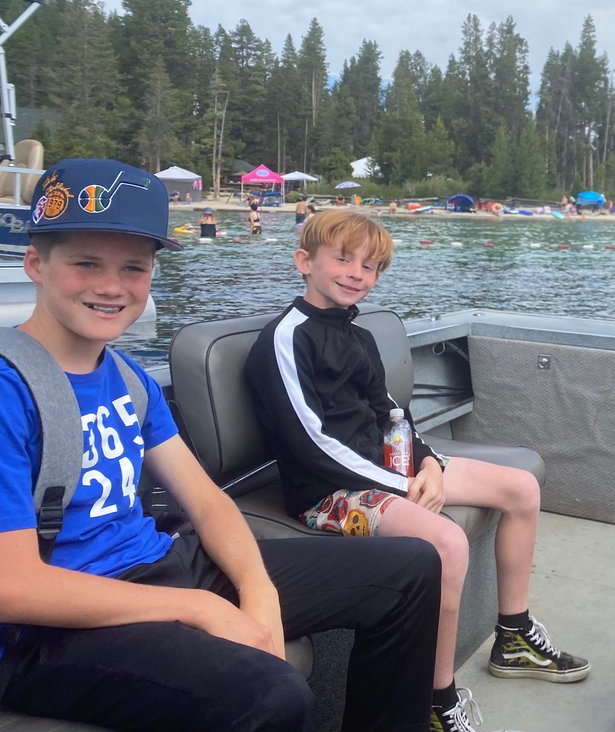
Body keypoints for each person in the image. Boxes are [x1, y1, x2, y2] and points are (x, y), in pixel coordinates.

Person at [0, 159, 441, 731]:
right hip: (51, 632)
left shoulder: (127, 377)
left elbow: (207, 502)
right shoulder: (11, 391)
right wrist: (199, 606)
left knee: (409, 568)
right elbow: (13, 585)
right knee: (271, 696)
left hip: (160, 566)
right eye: (86, 263)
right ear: (36, 263)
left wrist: (258, 590)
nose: (112, 287)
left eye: (133, 268)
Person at [246, 211, 590, 732]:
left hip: (390, 473)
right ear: (304, 262)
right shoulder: (286, 339)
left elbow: (391, 415)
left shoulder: (358, 336)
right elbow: (311, 444)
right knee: (446, 543)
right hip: (330, 493)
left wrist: (426, 462)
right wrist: (402, 485)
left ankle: (514, 636)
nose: (356, 273)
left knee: (520, 487)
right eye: (342, 258)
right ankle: (437, 698)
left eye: (370, 265)